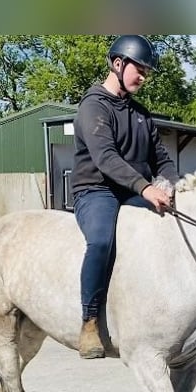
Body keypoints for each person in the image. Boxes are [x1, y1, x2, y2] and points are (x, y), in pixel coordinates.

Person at [71, 35, 180, 359]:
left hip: (132, 190)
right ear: (118, 64)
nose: (143, 78)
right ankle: (89, 321)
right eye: (140, 70)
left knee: (173, 224)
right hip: (97, 190)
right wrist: (146, 188)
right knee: (102, 242)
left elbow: (162, 159)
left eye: (147, 72)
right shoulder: (93, 107)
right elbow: (106, 158)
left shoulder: (141, 114)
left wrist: (178, 186)